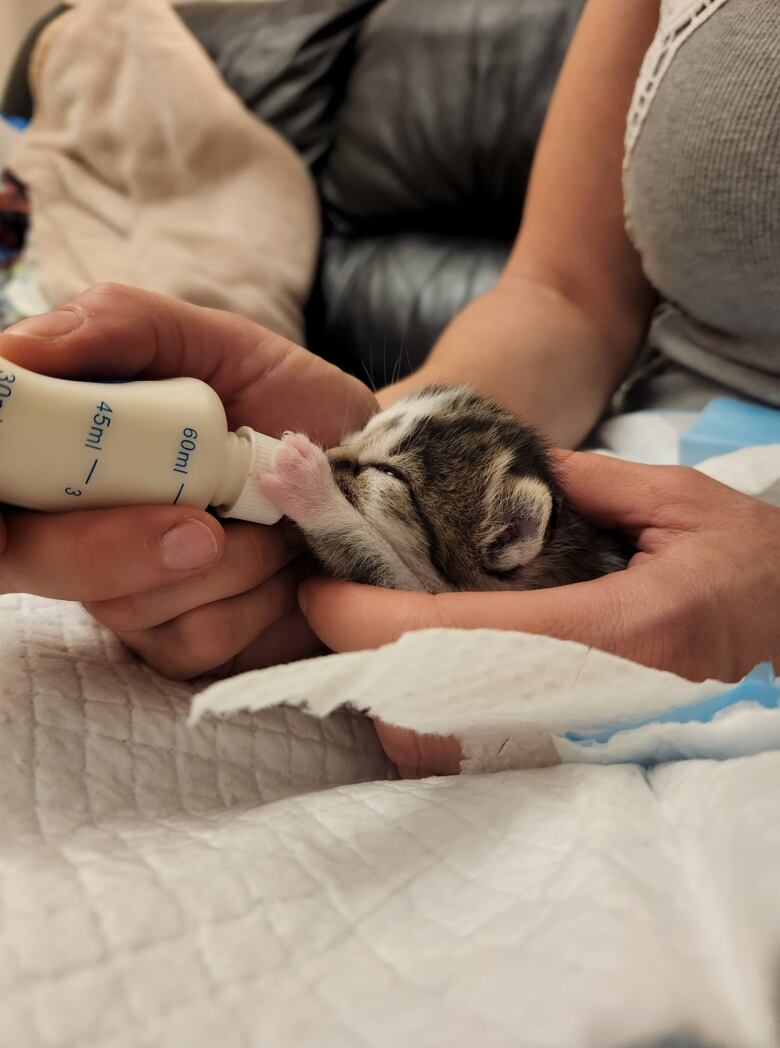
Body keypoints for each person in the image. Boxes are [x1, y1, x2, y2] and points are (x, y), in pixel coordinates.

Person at [0, 0, 778, 777]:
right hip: (646, 452)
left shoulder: (509, 528)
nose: (341, 453)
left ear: (506, 542)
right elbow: (565, 296)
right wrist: (359, 431)